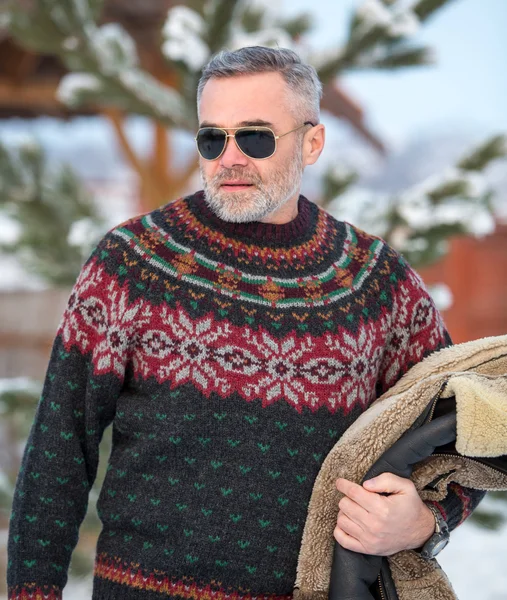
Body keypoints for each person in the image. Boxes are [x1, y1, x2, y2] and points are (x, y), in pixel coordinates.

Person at [7, 46, 484, 600]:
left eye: (255, 136)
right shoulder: (133, 263)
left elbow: (467, 426)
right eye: (213, 138)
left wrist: (427, 522)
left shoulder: (373, 281)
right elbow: (59, 451)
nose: (229, 157)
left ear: (312, 142)